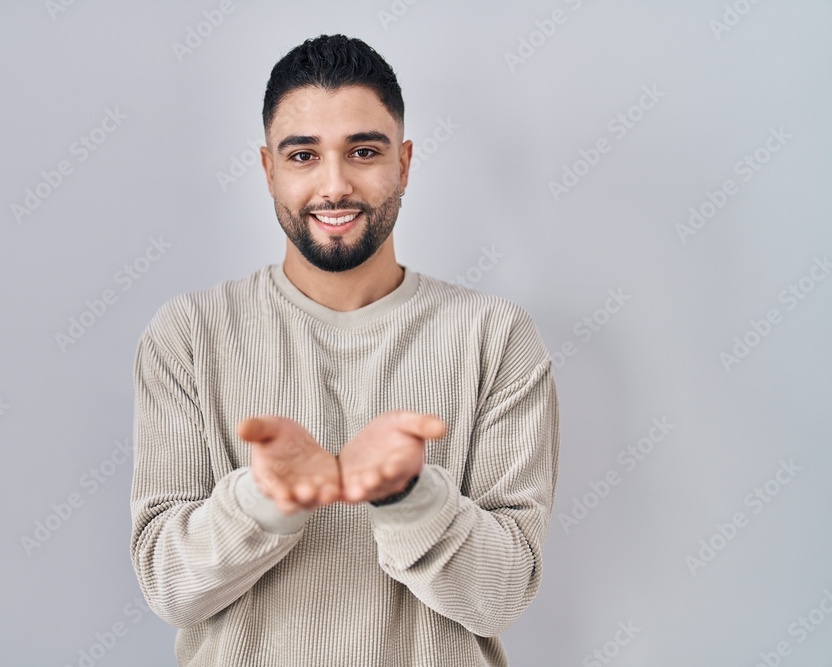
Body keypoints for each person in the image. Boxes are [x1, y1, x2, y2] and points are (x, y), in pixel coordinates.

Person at [129, 34, 560, 667]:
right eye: (303, 155)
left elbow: (501, 596)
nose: (334, 186)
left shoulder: (495, 335)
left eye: (363, 152)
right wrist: (266, 497)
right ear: (269, 170)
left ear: (404, 164)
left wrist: (410, 496)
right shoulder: (189, 334)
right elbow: (169, 587)